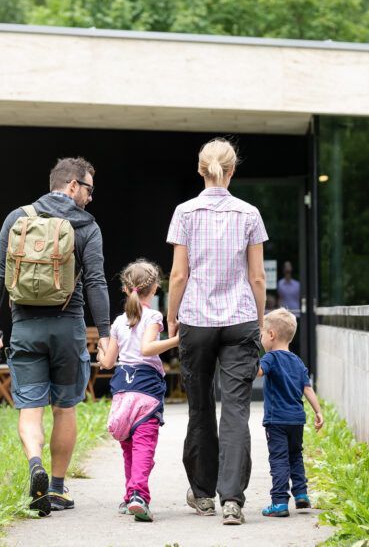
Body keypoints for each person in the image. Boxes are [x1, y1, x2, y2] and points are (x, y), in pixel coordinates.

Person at [0, 157, 111, 517]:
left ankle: (34, 462)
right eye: (88, 189)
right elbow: (97, 281)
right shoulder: (86, 225)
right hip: (68, 327)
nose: (89, 197)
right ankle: (55, 487)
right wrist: (104, 334)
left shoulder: (17, 218)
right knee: (65, 407)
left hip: (25, 326)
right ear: (72, 186)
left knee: (30, 407)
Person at [166, 138, 267, 526]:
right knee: (237, 410)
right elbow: (257, 276)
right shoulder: (249, 213)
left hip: (196, 320)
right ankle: (233, 501)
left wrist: (173, 315)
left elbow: (178, 274)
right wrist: (258, 321)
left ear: (200, 169)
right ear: (233, 170)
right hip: (240, 319)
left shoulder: (185, 212)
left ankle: (204, 495)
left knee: (201, 407)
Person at [97, 259, 179, 523]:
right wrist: (178, 339)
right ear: (154, 288)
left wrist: (101, 351)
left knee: (129, 447)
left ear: (125, 288)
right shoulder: (153, 317)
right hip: (146, 390)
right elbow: (146, 349)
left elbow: (108, 363)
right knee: (144, 445)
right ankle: (139, 497)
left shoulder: (119, 322)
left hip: (122, 389)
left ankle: (129, 495)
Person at [257, 309, 323, 518]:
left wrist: (248, 355)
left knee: (278, 459)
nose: (261, 338)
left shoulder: (270, 358)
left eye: (262, 334)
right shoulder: (297, 361)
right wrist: (318, 411)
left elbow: (256, 372)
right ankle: (301, 494)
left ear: (272, 335)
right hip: (296, 419)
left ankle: (279, 502)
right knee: (295, 456)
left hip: (276, 420)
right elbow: (307, 389)